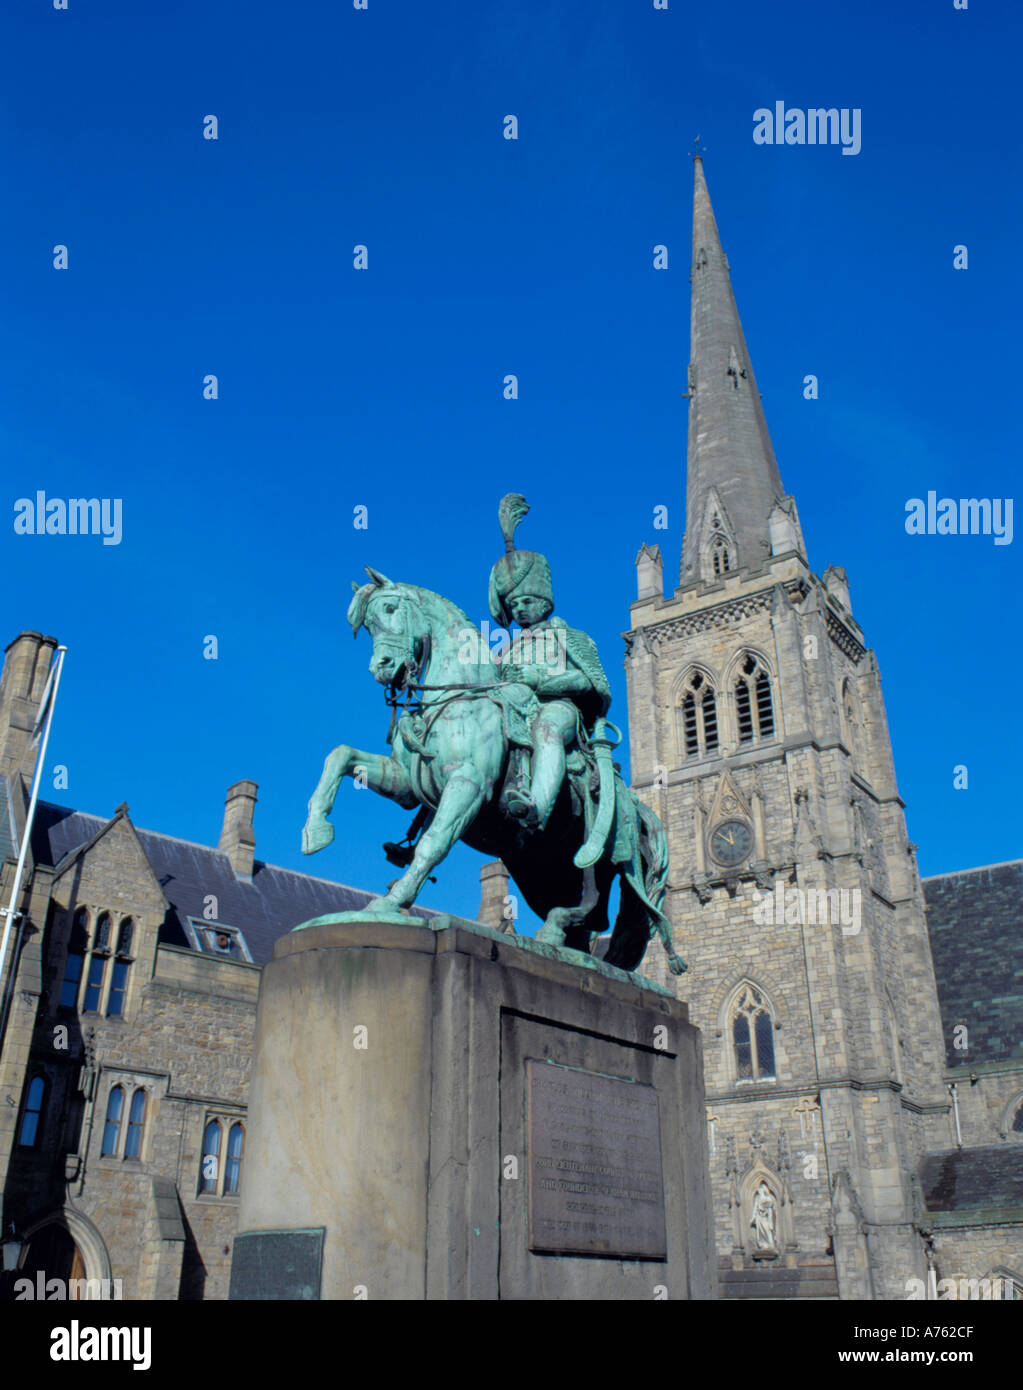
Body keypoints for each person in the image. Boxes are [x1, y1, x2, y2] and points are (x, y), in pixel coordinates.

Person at [487, 494, 611, 831]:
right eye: (514, 605)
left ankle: (537, 808)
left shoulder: (569, 636)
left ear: (544, 601)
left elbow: (592, 683)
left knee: (548, 726)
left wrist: (539, 679)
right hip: (514, 708)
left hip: (560, 708)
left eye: (528, 600)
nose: (521, 609)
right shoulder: (504, 648)